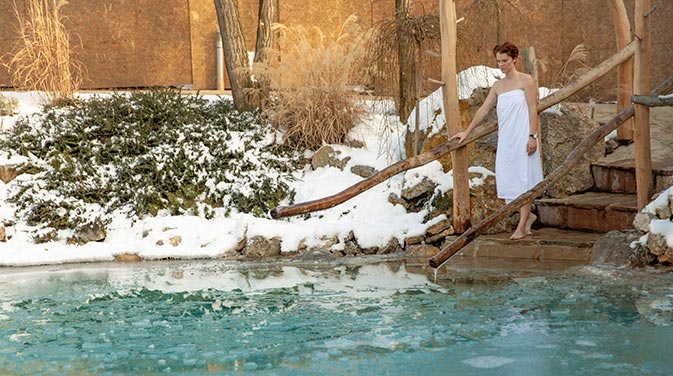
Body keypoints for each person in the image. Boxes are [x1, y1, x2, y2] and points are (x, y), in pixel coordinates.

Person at [451, 42, 544, 240]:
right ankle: (528, 218)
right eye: (498, 61)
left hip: (523, 136)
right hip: (506, 140)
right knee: (510, 179)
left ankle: (521, 227)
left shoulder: (526, 81)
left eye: (505, 60)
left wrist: (532, 136)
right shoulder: (498, 86)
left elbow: (532, 109)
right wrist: (467, 132)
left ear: (515, 59)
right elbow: (483, 110)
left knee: (523, 178)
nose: (501, 65)